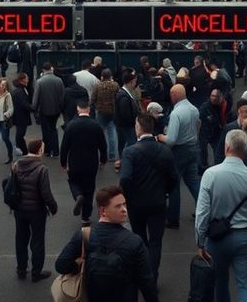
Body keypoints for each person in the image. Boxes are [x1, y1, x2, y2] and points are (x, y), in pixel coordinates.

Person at [195, 129, 247, 302]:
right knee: (246, 284)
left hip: (217, 238)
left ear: (227, 147)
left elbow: (202, 212)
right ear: (246, 150)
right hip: (245, 236)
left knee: (220, 281)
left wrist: (200, 240)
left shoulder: (210, 174)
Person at [55, 185, 158, 302]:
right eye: (118, 206)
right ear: (103, 211)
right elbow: (146, 283)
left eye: (124, 204)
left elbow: (61, 265)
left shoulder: (83, 235)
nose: (124, 210)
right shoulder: (134, 242)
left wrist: (80, 266)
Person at [119, 112, 178, 280]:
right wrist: (165, 191)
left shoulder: (130, 152)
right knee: (156, 242)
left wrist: (128, 197)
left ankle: (142, 272)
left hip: (136, 203)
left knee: (139, 238)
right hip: (158, 202)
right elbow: (173, 178)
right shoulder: (165, 151)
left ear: (138, 127)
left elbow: (125, 178)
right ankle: (152, 275)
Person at [12, 138, 58, 281]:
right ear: (40, 150)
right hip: (36, 210)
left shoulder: (16, 165)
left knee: (21, 239)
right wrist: (53, 207)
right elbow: (46, 193)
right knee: (37, 241)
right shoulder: (41, 169)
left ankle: (21, 269)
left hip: (19, 209)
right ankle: (36, 272)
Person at [159, 83, 201, 229]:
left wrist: (160, 137)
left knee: (173, 185)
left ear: (174, 95)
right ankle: (204, 209)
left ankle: (172, 219)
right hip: (193, 148)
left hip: (179, 152)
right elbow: (197, 126)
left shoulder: (176, 114)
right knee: (193, 182)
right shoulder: (194, 109)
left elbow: (171, 140)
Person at [59, 98, 107, 226]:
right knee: (90, 188)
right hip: (91, 162)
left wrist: (63, 162)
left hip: (75, 161)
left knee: (73, 181)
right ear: (89, 110)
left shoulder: (71, 125)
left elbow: (64, 146)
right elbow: (103, 145)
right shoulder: (96, 125)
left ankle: (78, 195)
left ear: (78, 109)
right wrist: (103, 159)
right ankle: (85, 216)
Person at [32, 62, 64, 157]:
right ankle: (56, 151)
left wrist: (34, 108)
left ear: (43, 70)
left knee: (45, 130)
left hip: (44, 110)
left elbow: (36, 98)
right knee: (54, 129)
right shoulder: (59, 80)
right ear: (51, 69)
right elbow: (62, 96)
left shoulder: (40, 82)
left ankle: (47, 150)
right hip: (56, 110)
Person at [92, 68, 119, 163]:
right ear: (110, 76)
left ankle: (99, 154)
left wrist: (96, 105)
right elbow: (118, 97)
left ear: (102, 76)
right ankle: (112, 155)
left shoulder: (97, 85)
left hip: (100, 111)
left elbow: (93, 98)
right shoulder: (115, 85)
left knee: (99, 134)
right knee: (111, 133)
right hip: (112, 111)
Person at [199, 88, 230, 170]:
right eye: (212, 96)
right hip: (205, 132)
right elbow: (199, 121)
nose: (213, 98)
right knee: (203, 152)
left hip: (216, 132)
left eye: (216, 96)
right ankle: (204, 166)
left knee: (217, 151)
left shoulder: (221, 106)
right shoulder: (205, 107)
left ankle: (218, 166)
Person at [115, 70, 141, 161]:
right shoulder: (124, 96)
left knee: (124, 144)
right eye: (135, 82)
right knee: (131, 143)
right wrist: (134, 122)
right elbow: (125, 114)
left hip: (123, 125)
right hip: (127, 125)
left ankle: (123, 160)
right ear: (131, 82)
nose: (135, 84)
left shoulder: (124, 93)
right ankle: (125, 160)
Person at [10, 74, 32, 157]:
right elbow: (24, 104)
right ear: (22, 80)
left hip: (20, 115)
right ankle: (23, 150)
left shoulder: (21, 89)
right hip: (21, 116)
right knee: (20, 134)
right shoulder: (20, 91)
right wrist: (33, 108)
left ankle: (22, 149)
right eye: (26, 77)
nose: (28, 78)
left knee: (20, 133)